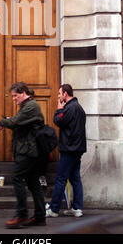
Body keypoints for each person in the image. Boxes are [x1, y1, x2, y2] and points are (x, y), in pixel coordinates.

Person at [0, 82, 46, 228]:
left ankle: (21, 215)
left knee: (17, 177)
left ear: (23, 93)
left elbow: (16, 121)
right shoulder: (27, 106)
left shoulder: (31, 106)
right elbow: (18, 122)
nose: (13, 99)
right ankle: (40, 216)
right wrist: (7, 122)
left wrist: (2, 122)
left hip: (28, 151)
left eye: (15, 96)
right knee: (33, 182)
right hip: (29, 150)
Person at [46, 83, 86, 218]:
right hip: (77, 148)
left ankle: (54, 209)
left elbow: (58, 121)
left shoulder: (70, 108)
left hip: (69, 148)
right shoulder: (79, 107)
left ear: (65, 94)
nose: (58, 96)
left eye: (59, 94)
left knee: (61, 178)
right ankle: (77, 208)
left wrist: (58, 109)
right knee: (75, 178)